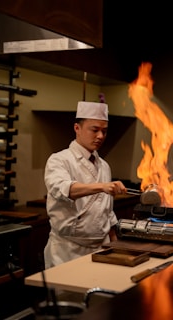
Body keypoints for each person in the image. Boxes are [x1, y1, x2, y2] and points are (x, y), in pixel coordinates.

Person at [44, 101, 127, 269]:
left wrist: (117, 246)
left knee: (98, 294)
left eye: (104, 131)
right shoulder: (59, 160)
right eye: (94, 130)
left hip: (101, 248)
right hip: (67, 250)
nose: (100, 136)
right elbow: (64, 189)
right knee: (67, 296)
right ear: (77, 128)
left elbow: (107, 212)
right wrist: (102, 186)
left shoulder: (103, 165)